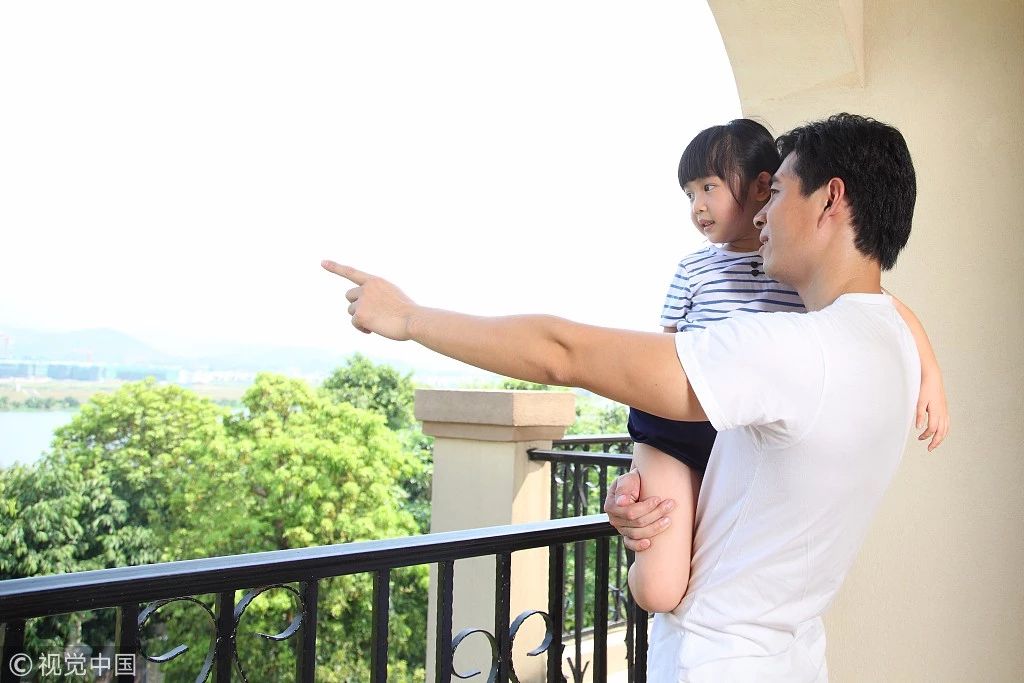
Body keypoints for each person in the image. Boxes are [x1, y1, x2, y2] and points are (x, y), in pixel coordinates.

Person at [322, 113, 946, 681]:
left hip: (717, 661)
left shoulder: (792, 350)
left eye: (777, 192)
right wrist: (658, 502)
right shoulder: (892, 343)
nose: (761, 215)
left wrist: (410, 318)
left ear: (830, 199)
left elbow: (563, 352)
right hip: (796, 655)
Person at [622, 118, 948, 617]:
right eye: (690, 194)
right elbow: (661, 354)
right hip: (677, 427)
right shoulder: (693, 268)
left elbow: (887, 306)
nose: (698, 207)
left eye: (709, 187)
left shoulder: (790, 270)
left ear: (759, 187)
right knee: (657, 588)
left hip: (739, 431)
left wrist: (931, 377)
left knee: (682, 560)